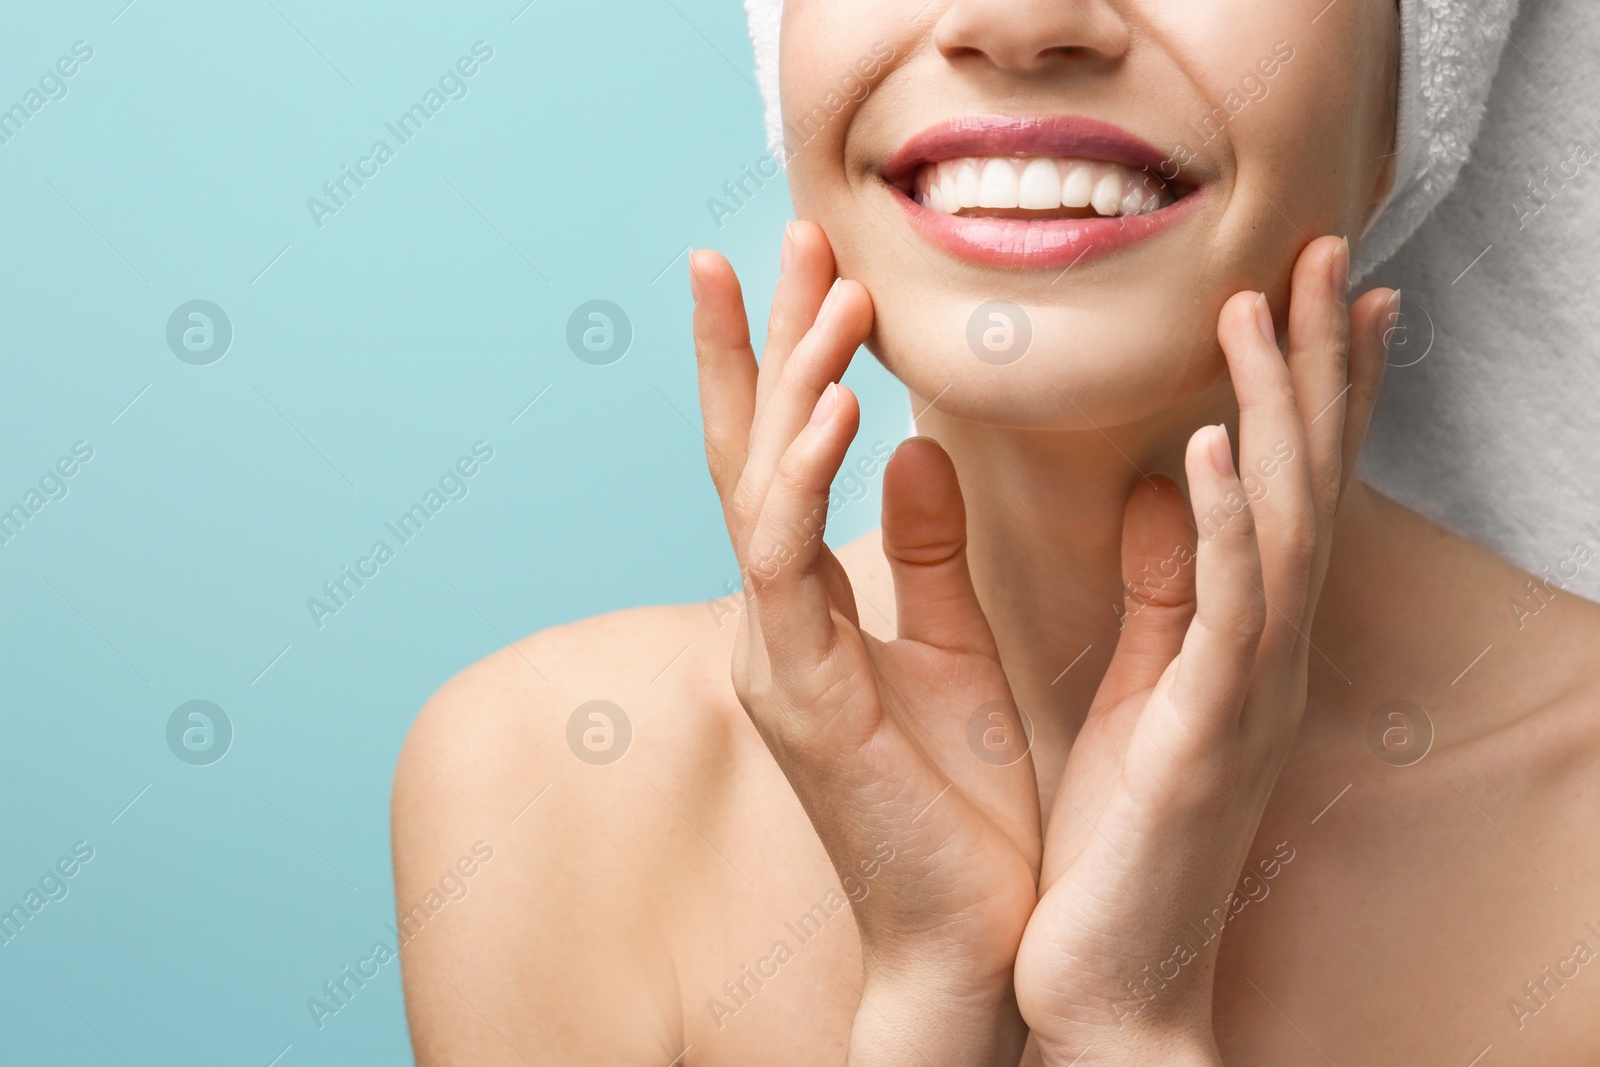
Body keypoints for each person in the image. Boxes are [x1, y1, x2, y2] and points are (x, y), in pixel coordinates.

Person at [391, 1, 1600, 1063]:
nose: (1022, 18)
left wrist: (1126, 1026)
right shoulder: (546, 795)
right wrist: (930, 1002)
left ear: (1417, 75)